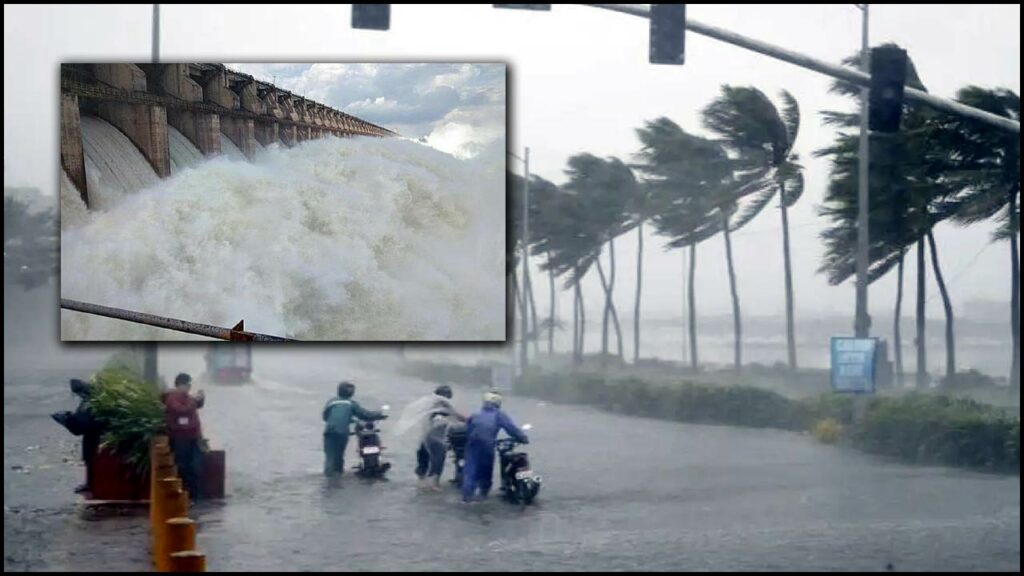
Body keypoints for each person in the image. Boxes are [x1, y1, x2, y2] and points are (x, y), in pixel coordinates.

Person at [461, 389, 529, 504]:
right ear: (498, 403)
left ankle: (466, 499)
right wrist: (523, 438)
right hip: (487, 446)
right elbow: (512, 429)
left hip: (472, 446)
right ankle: (483, 497)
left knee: (470, 472)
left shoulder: (475, 415)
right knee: (486, 472)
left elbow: (468, 430)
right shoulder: (499, 415)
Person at [322, 381, 388, 478]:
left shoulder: (331, 402)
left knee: (330, 456)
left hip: (329, 431)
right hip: (342, 432)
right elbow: (365, 415)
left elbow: (325, 417)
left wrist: (349, 419)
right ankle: (337, 475)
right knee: (339, 455)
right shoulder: (351, 403)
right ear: (351, 393)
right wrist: (380, 415)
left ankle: (329, 476)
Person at [51, 378, 102, 494]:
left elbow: (81, 426)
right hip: (94, 434)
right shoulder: (92, 398)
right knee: (89, 459)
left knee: (90, 459)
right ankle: (90, 483)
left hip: (93, 435)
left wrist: (68, 420)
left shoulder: (89, 402)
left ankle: (90, 484)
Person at [413, 385, 466, 491]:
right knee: (437, 461)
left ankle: (421, 483)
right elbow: (457, 416)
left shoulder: (430, 404)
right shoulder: (443, 405)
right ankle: (433, 485)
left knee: (424, 461)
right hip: (435, 439)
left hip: (425, 438)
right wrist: (471, 420)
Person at [163, 372, 205, 500]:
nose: (188, 387)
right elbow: (182, 410)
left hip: (193, 436)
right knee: (183, 465)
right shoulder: (172, 398)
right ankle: (185, 493)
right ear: (180, 385)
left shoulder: (188, 397)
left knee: (195, 465)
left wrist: (201, 398)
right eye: (187, 384)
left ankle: (195, 494)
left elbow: (198, 405)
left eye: (189, 385)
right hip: (180, 437)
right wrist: (194, 400)